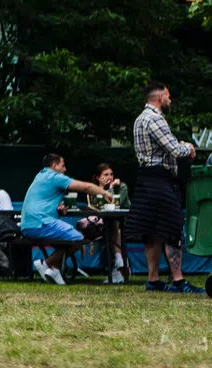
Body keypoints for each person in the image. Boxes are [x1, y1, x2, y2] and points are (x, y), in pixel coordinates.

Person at [130, 82, 200, 293]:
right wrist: (187, 147)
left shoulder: (140, 119)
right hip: (160, 179)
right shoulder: (155, 119)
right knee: (172, 226)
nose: (170, 100)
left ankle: (153, 280)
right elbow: (175, 150)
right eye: (168, 96)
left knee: (152, 230)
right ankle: (178, 280)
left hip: (145, 179)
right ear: (160, 97)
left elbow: (164, 146)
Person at [21, 152, 110, 286]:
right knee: (78, 239)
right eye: (63, 165)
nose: (65, 169)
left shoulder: (40, 176)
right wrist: (104, 192)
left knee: (68, 239)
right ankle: (46, 263)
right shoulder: (54, 177)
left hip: (28, 224)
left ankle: (55, 270)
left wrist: (58, 206)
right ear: (55, 165)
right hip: (41, 222)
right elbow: (86, 187)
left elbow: (44, 198)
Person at [76, 164, 129, 284]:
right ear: (98, 178)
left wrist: (110, 188)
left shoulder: (122, 187)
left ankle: (118, 265)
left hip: (124, 222)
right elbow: (95, 206)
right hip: (102, 224)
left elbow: (115, 204)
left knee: (113, 223)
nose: (109, 177)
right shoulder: (94, 190)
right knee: (109, 226)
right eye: (106, 175)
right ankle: (118, 266)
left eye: (111, 174)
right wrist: (100, 188)